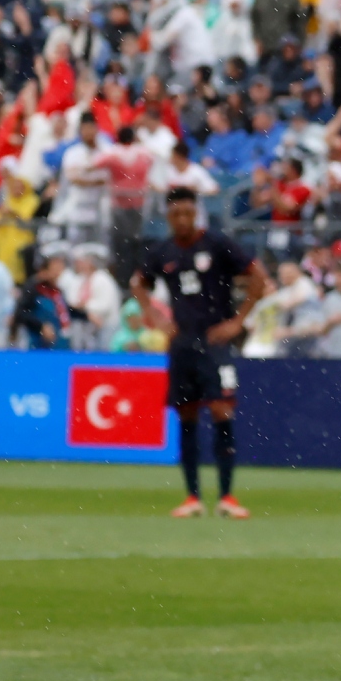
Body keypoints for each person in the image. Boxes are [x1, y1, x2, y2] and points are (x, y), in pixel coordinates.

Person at [132, 187, 269, 520]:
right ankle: (192, 496)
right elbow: (139, 283)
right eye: (176, 214)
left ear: (196, 213)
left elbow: (258, 277)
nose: (182, 219)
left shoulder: (217, 244)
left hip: (215, 342)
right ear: (168, 216)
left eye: (187, 213)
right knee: (187, 416)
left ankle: (227, 496)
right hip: (182, 344)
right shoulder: (162, 251)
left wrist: (238, 320)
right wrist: (156, 316)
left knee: (222, 410)